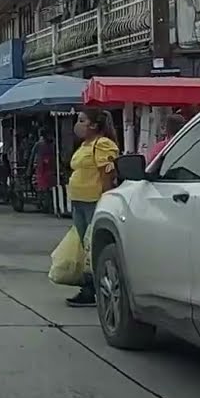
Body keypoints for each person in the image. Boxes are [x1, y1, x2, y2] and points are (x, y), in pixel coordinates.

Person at [65, 108, 119, 308]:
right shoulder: (84, 145)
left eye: (82, 120)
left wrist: (106, 198)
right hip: (78, 201)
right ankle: (88, 284)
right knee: (83, 243)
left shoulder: (103, 144)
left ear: (94, 125)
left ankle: (92, 288)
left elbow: (107, 172)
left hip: (93, 201)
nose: (78, 124)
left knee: (91, 246)